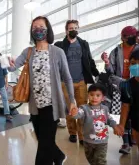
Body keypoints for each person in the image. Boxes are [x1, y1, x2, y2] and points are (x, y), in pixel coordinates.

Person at [8, 16, 77, 165]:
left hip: (51, 105)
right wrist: (8, 63)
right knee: (43, 139)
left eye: (41, 26)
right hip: (35, 106)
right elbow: (13, 67)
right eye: (34, 27)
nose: (37, 29)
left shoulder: (57, 52)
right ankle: (59, 156)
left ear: (47, 29)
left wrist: (72, 100)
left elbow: (67, 77)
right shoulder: (28, 52)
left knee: (43, 148)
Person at [55, 20, 100, 145]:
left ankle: (82, 135)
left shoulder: (84, 44)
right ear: (66, 30)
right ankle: (72, 133)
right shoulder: (59, 45)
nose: (73, 30)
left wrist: (96, 74)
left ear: (78, 29)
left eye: (75, 28)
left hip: (81, 81)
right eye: (70, 28)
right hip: (65, 82)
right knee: (70, 109)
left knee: (81, 109)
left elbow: (89, 60)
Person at [101, 26, 139, 154]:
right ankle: (126, 143)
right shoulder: (116, 52)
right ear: (123, 37)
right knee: (125, 113)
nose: (134, 38)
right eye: (130, 36)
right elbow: (110, 71)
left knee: (134, 114)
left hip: (137, 85)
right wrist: (106, 63)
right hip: (121, 86)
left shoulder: (138, 48)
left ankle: (133, 137)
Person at [70, 83, 121, 165]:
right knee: (91, 159)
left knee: (101, 163)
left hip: (102, 141)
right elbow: (78, 115)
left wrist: (115, 126)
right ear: (88, 96)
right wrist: (74, 113)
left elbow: (109, 119)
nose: (94, 98)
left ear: (103, 98)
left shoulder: (105, 109)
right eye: (91, 95)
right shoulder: (84, 108)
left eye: (98, 95)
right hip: (88, 141)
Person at [117, 49, 139, 150]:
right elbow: (125, 106)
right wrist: (121, 125)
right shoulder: (127, 85)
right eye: (133, 63)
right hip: (136, 123)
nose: (136, 66)